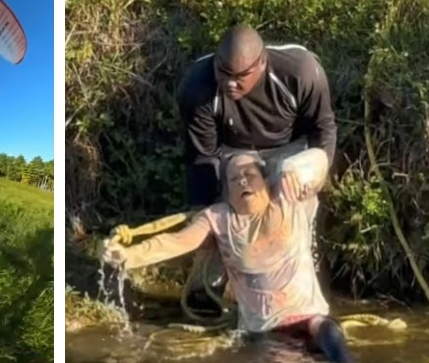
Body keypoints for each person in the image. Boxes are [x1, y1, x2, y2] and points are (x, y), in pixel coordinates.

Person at [100, 148, 353, 363]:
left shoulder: (288, 194)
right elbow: (175, 242)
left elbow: (320, 158)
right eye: (234, 179)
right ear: (227, 192)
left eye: (249, 174)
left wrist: (290, 167)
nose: (243, 181)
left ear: (265, 180)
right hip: (264, 329)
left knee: (329, 334)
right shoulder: (219, 217)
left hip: (310, 317)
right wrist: (127, 255)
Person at [177, 24, 337, 310]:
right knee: (224, 216)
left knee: (293, 199)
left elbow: (322, 131)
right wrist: (203, 208)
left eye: (240, 77)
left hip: (290, 151)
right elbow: (203, 157)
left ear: (261, 64)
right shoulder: (197, 87)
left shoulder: (300, 70)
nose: (229, 84)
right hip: (235, 154)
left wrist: (314, 179)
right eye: (223, 73)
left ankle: (298, 297)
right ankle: (206, 292)